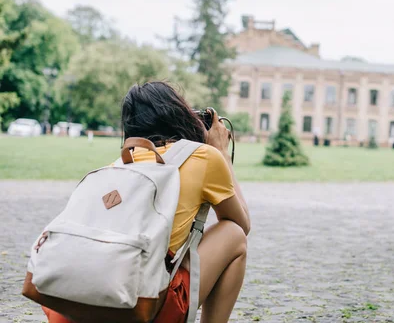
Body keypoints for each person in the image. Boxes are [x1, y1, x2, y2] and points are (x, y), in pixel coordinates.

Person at [42, 81, 251, 323]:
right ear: (179, 115)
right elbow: (241, 223)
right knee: (234, 235)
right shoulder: (203, 157)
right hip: (141, 308)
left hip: (73, 307)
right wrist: (222, 153)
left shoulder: (115, 167)